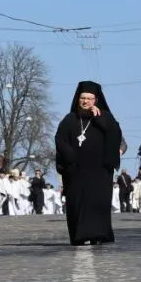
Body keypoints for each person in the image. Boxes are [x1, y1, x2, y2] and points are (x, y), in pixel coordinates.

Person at [55, 81, 122, 246]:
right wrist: (70, 158)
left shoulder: (105, 116)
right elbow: (60, 139)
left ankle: (98, 234)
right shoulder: (70, 119)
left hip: (99, 170)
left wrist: (100, 120)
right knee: (77, 202)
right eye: (83, 98)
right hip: (76, 170)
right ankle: (79, 235)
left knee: (98, 202)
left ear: (96, 100)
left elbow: (116, 136)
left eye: (90, 98)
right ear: (78, 99)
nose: (86, 102)